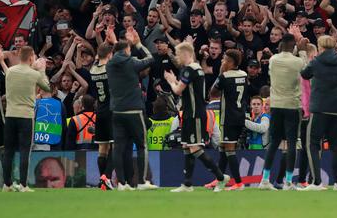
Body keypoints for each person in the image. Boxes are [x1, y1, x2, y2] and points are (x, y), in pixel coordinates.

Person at [164, 42, 229, 192]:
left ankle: (220, 177)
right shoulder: (198, 68)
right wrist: (175, 80)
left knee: (194, 147)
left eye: (178, 54)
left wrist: (170, 80)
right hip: (189, 113)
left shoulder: (189, 70)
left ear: (185, 53)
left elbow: (178, 90)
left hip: (195, 114)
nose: (177, 58)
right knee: (187, 146)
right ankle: (187, 184)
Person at [106, 28, 158, 191]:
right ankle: (142, 182)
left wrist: (116, 43)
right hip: (134, 110)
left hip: (117, 111)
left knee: (119, 147)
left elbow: (118, 53)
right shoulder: (132, 62)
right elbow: (150, 58)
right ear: (128, 50)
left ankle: (121, 183)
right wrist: (138, 44)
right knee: (142, 145)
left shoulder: (110, 64)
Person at [300, 35, 337, 191]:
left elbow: (304, 74)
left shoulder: (316, 62)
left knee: (312, 144)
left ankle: (317, 182)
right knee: (336, 147)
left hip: (319, 108)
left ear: (320, 47)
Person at [258, 34, 303, 190]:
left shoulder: (273, 60)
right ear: (293, 47)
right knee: (291, 143)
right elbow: (307, 71)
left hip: (276, 105)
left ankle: (264, 180)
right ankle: (288, 182)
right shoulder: (298, 61)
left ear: (281, 45)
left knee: (274, 142)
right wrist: (302, 50)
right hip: (292, 105)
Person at [3, 46, 51, 193]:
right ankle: (23, 185)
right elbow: (47, 87)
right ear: (31, 58)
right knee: (25, 151)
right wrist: (41, 69)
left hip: (10, 115)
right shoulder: (34, 74)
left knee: (8, 151)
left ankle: (7, 184)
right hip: (25, 116)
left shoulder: (10, 71)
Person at [209, 49, 247, 190]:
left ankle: (238, 183)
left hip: (228, 117)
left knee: (229, 149)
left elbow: (212, 94)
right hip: (240, 116)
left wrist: (220, 73)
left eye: (224, 59)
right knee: (224, 146)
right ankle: (219, 179)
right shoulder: (244, 74)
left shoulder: (225, 76)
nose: (222, 61)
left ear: (231, 62)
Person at [89, 42, 115, 190]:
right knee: (115, 146)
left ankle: (102, 181)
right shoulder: (110, 69)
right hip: (112, 110)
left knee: (102, 149)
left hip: (100, 111)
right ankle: (107, 177)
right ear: (110, 55)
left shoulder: (93, 70)